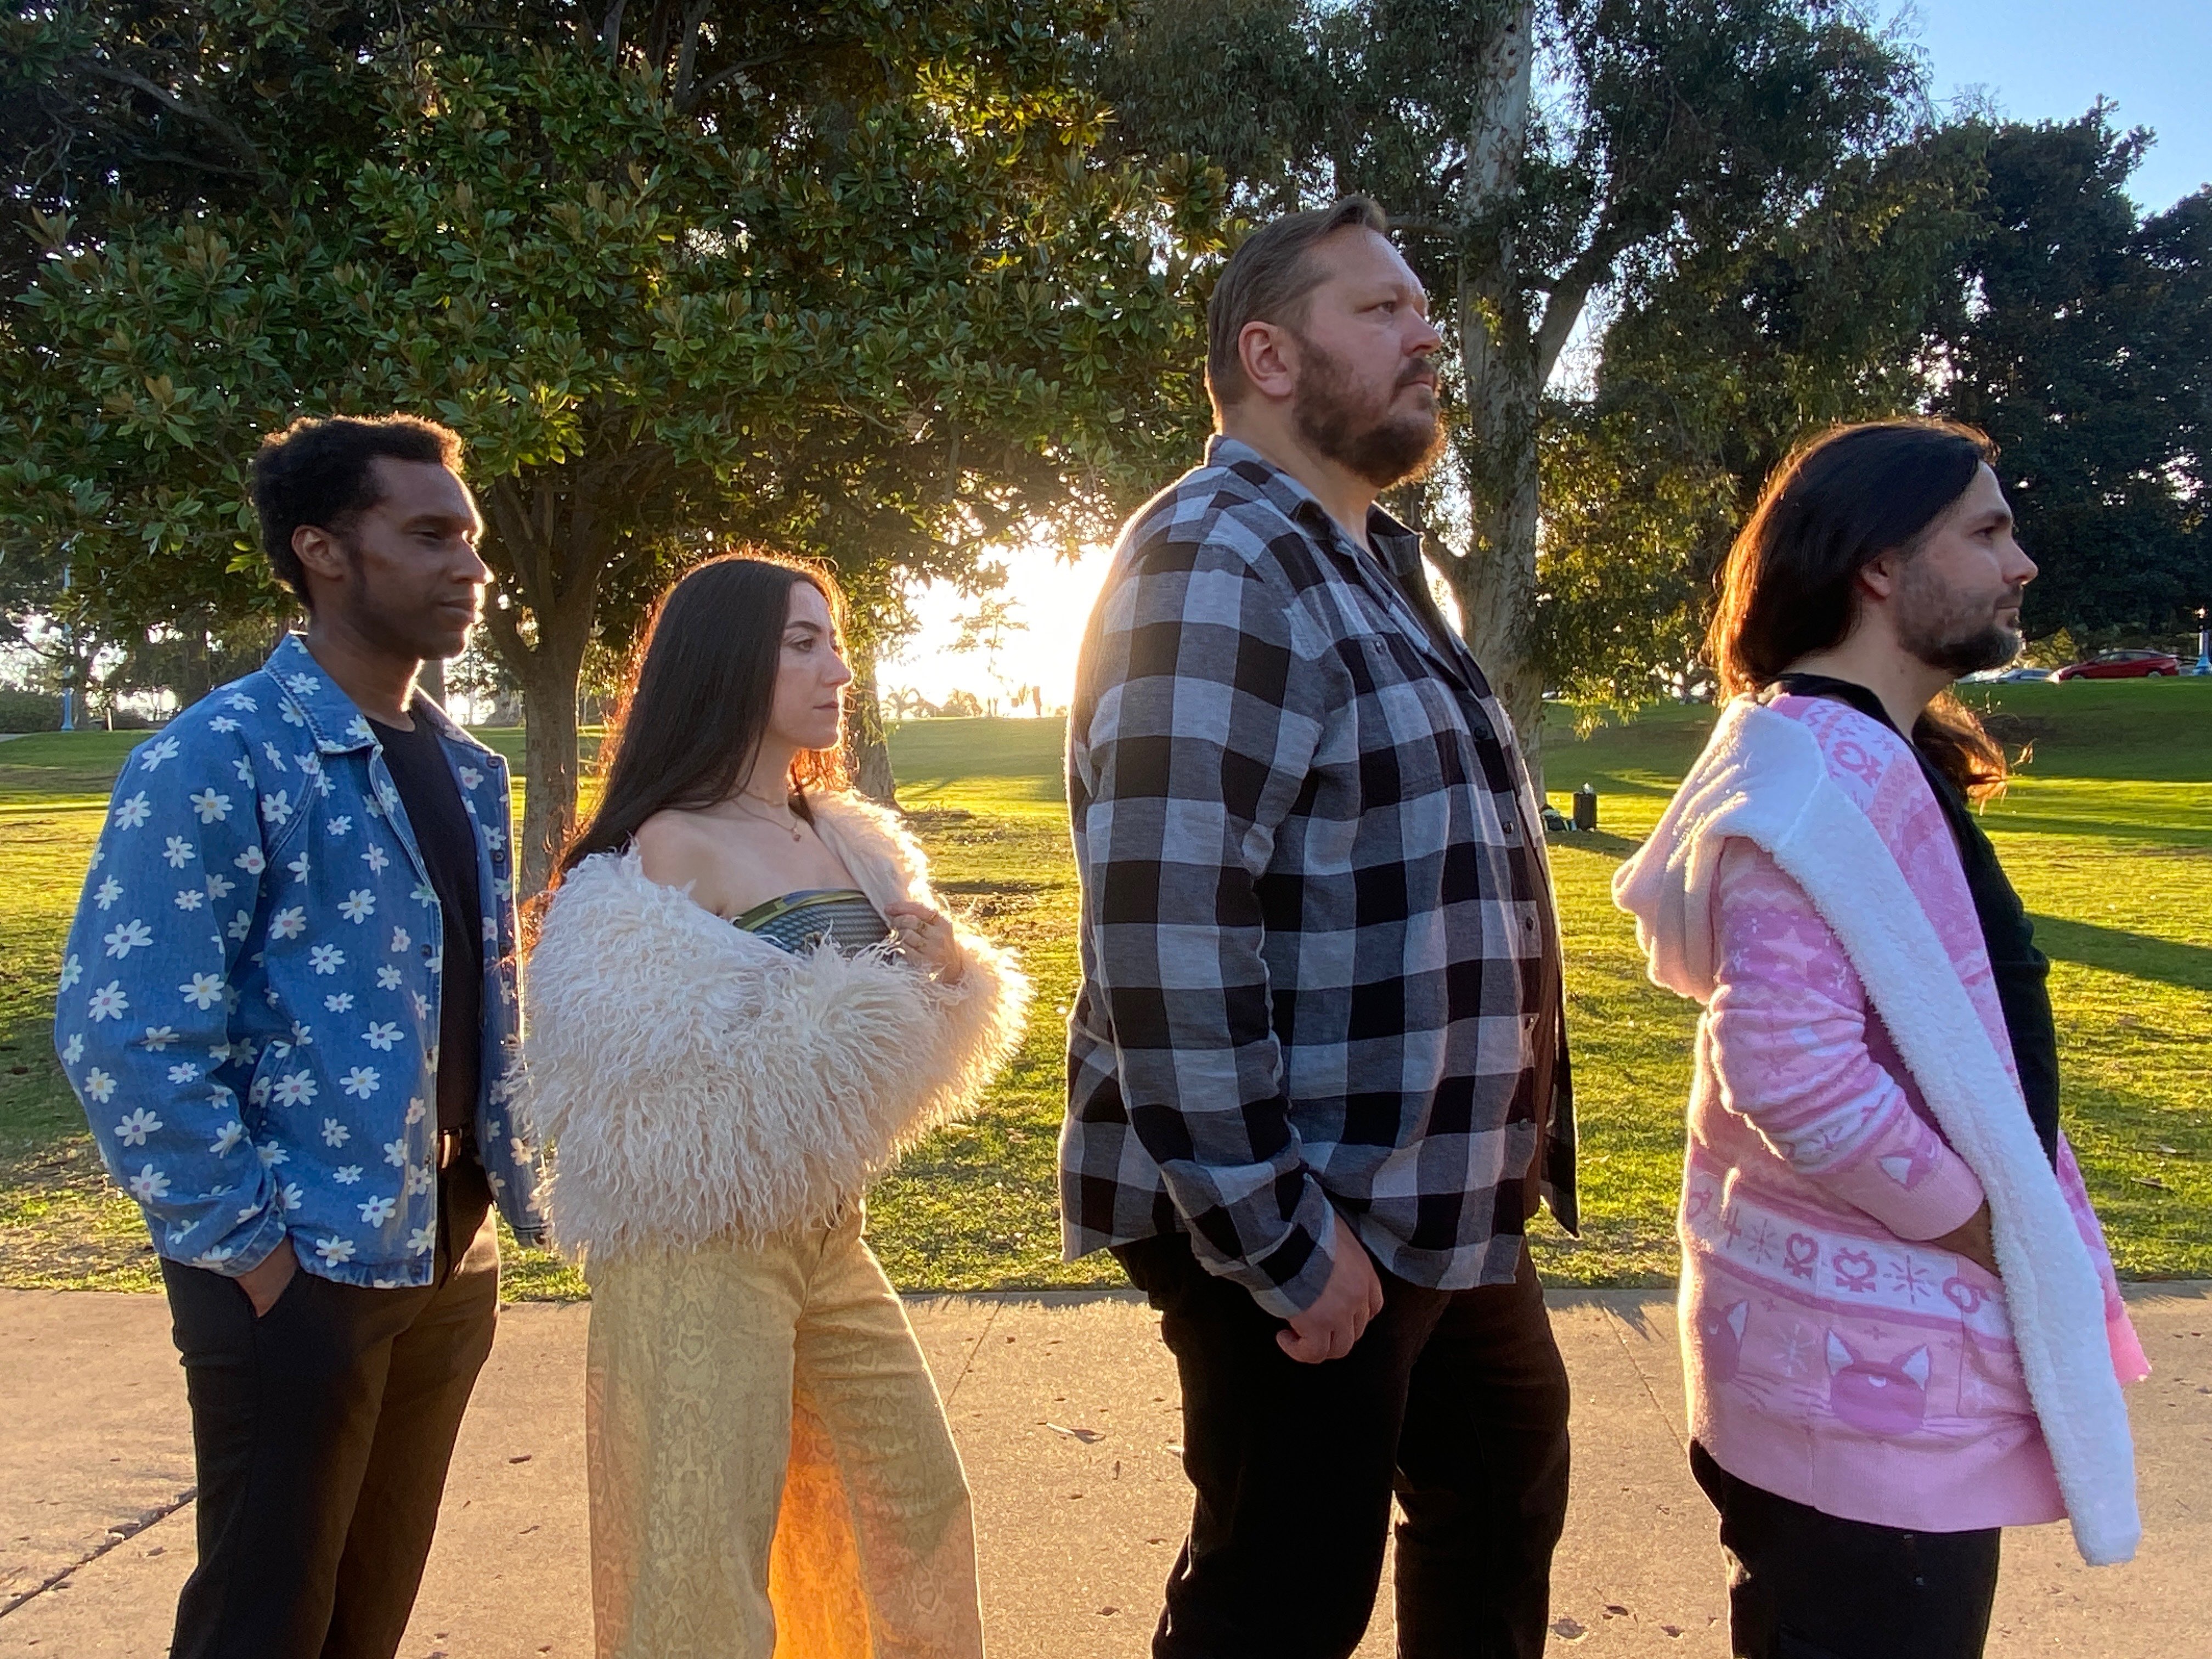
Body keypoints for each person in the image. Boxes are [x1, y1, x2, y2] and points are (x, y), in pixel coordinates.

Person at [1060, 195, 1578, 1659]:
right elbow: (1167, 931)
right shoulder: (1218, 557)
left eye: (1425, 309)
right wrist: (1278, 1237)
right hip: (1309, 1202)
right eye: (1382, 308)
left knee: (1499, 1491)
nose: (1429, 336)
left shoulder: (1374, 560)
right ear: (1270, 356)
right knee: (1281, 1603)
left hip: (1440, 1195)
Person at [1613, 420, 2146, 1658]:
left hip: (1862, 1374)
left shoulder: (1845, 752)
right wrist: (1987, 1226)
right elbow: (1789, 1068)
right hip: (1867, 1396)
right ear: (1878, 564)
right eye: (1987, 532)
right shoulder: (1822, 777)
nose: (2022, 564)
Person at [53, 414, 544, 1658]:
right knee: (263, 1622)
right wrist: (252, 1252)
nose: (471, 567)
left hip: (444, 1247)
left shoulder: (463, 767)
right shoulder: (217, 756)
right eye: (428, 535)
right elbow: (129, 1032)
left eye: (472, 539)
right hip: (300, 1262)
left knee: (366, 1618)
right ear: (323, 550)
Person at [524, 552, 1029, 1659]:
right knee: (701, 1565)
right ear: (725, 664)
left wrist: (946, 972)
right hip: (698, 1250)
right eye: (803, 644)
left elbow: (887, 1042)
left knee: (912, 1499)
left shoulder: (843, 833)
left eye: (835, 642)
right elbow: (642, 1091)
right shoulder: (666, 846)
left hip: (829, 1232)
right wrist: (857, 1014)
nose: (838, 670)